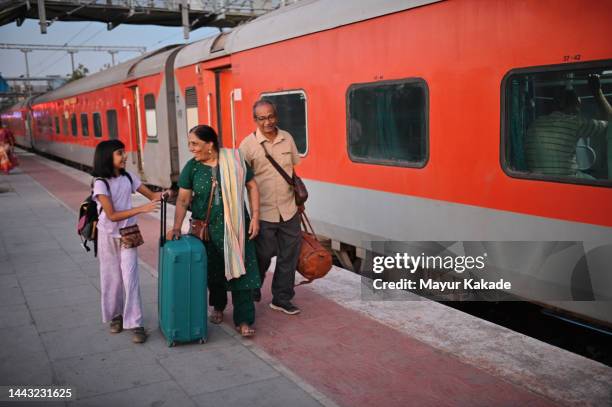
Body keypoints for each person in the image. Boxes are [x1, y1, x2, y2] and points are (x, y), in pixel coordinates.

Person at [168, 125, 261, 337]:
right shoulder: (191, 168)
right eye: (190, 143)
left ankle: (244, 320)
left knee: (242, 275)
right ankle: (218, 307)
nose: (191, 148)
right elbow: (183, 200)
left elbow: (252, 186)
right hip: (208, 232)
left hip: (237, 228)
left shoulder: (234, 160)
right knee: (214, 273)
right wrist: (176, 227)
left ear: (210, 145)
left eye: (195, 144)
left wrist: (255, 216)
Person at [92, 140, 165, 344]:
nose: (125, 156)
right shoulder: (100, 183)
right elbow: (112, 215)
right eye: (119, 153)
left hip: (128, 234)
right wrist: (141, 209)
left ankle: (136, 323)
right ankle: (116, 316)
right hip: (107, 235)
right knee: (111, 278)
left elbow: (152, 196)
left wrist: (171, 194)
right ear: (107, 157)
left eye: (123, 152)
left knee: (130, 278)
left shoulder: (128, 177)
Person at [239, 99, 302, 315]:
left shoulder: (287, 139)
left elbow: (292, 170)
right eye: (262, 118)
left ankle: (282, 298)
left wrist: (298, 201)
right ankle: (254, 285)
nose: (268, 122)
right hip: (263, 212)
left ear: (276, 116)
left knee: (288, 257)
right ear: (255, 120)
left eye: (271, 116)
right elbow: (243, 180)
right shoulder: (247, 146)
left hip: (289, 209)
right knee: (262, 255)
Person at [525, 74, 611, 179]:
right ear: (574, 106)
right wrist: (597, 92)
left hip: (538, 180)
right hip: (566, 180)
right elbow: (610, 122)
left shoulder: (535, 123)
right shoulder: (574, 122)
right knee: (596, 183)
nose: (579, 111)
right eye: (578, 106)